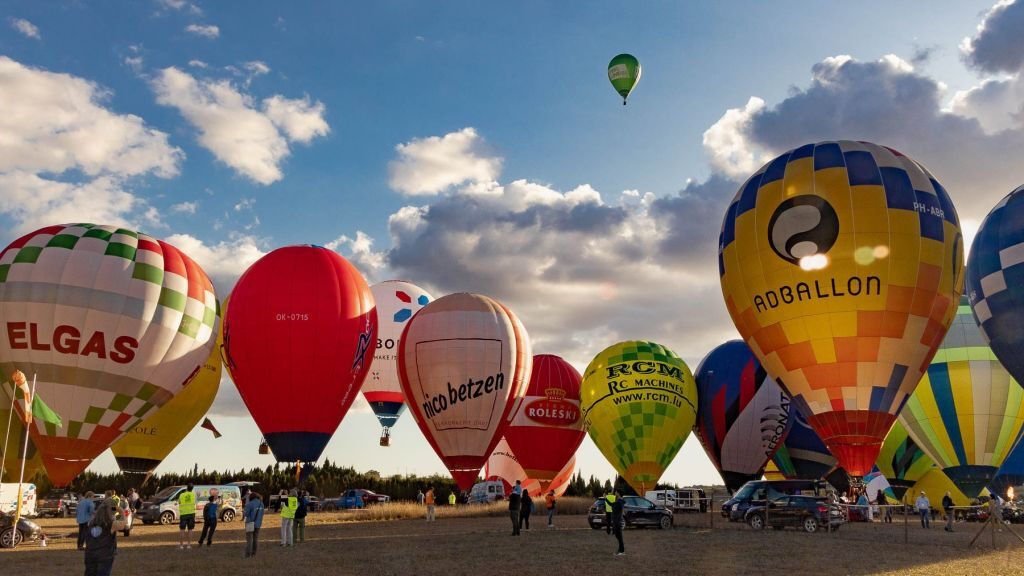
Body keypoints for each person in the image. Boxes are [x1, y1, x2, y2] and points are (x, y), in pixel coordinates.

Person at [84, 497, 125, 576]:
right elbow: (123, 524)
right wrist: (121, 511)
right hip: (105, 555)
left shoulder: (91, 523)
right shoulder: (111, 524)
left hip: (90, 554)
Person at [604, 489, 625, 556]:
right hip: (616, 521)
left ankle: (621, 551)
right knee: (617, 536)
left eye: (615, 492)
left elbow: (612, 505)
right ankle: (620, 550)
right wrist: (605, 499)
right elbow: (611, 504)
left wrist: (606, 498)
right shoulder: (618, 501)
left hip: (617, 521)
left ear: (618, 493)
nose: (615, 493)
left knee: (619, 536)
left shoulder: (619, 501)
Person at [243, 492, 264, 558]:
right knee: (255, 538)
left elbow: (246, 514)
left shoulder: (250, 504)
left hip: (250, 523)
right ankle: (254, 553)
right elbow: (262, 514)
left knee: (249, 539)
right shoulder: (261, 504)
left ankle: (248, 554)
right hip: (258, 523)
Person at [178, 484, 196, 549]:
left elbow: (179, 502)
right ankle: (188, 545)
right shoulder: (193, 495)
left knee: (182, 530)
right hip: (191, 514)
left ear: (187, 488)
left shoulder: (181, 495)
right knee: (190, 529)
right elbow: (195, 502)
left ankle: (181, 545)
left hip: (183, 514)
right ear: (192, 489)